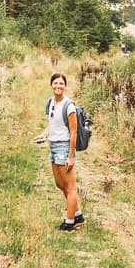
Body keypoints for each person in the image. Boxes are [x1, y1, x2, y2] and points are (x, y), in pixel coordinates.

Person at [34, 72, 84, 231]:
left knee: (70, 187)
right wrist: (44, 134)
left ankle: (69, 223)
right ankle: (78, 215)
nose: (58, 86)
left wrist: (70, 156)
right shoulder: (51, 102)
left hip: (64, 147)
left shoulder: (69, 106)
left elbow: (74, 132)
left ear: (65, 86)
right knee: (60, 184)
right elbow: (52, 123)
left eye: (61, 84)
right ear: (51, 85)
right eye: (55, 83)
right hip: (53, 147)